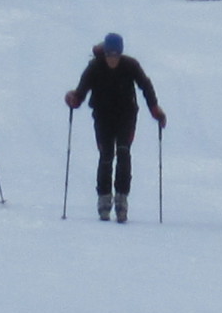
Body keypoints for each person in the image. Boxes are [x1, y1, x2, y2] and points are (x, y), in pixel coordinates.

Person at [64, 32, 165, 222]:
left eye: (116, 55)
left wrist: (155, 109)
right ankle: (104, 199)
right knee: (106, 154)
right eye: (109, 55)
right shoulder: (95, 67)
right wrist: (74, 99)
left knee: (124, 152)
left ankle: (121, 198)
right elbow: (82, 90)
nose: (112, 59)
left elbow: (145, 85)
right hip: (103, 116)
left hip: (126, 115)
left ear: (120, 53)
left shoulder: (131, 65)